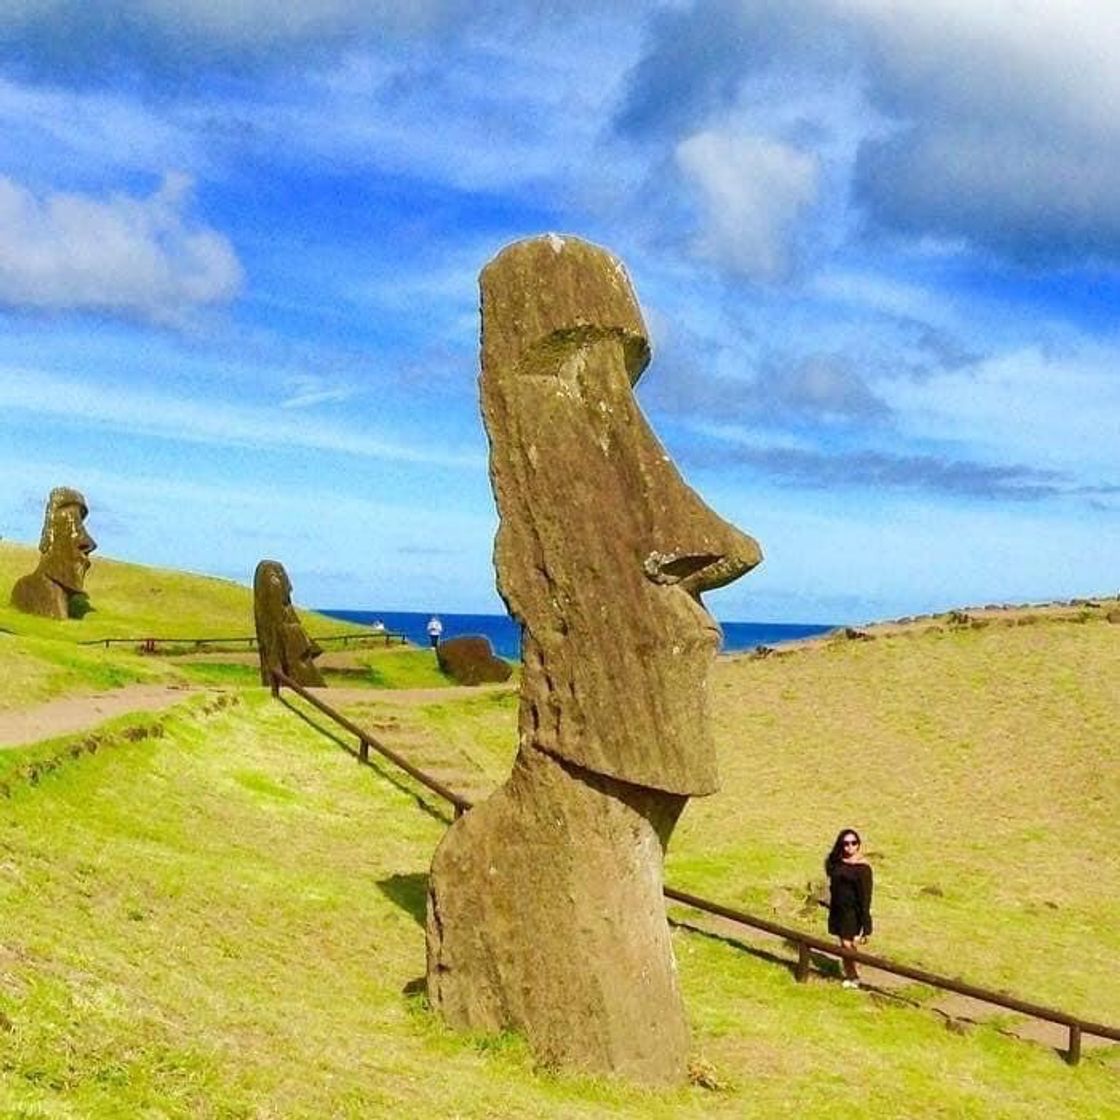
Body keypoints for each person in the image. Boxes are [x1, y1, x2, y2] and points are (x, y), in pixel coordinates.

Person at [825, 827, 873, 988]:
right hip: (838, 910)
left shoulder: (863, 868)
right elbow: (831, 874)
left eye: (853, 843)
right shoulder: (838, 862)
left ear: (858, 845)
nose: (850, 847)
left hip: (852, 911)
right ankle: (851, 973)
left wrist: (866, 925)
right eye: (846, 844)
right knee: (844, 943)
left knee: (848, 944)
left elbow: (866, 897)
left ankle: (854, 975)